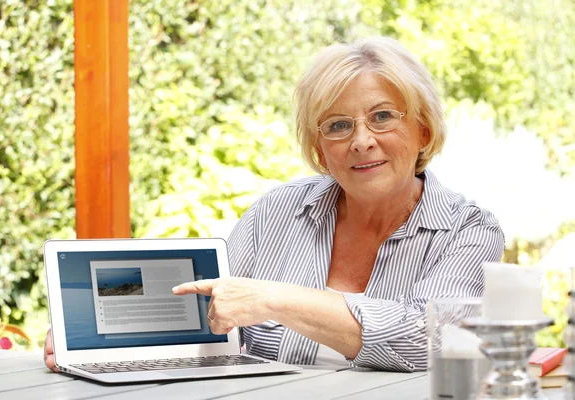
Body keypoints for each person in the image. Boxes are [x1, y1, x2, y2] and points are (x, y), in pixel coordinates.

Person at [45, 36, 504, 372]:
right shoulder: (277, 213)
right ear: (320, 148)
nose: (362, 141)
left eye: (383, 117)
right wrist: (96, 339)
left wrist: (273, 298)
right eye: (338, 125)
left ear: (423, 130)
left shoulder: (470, 231)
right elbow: (211, 312)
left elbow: (430, 341)